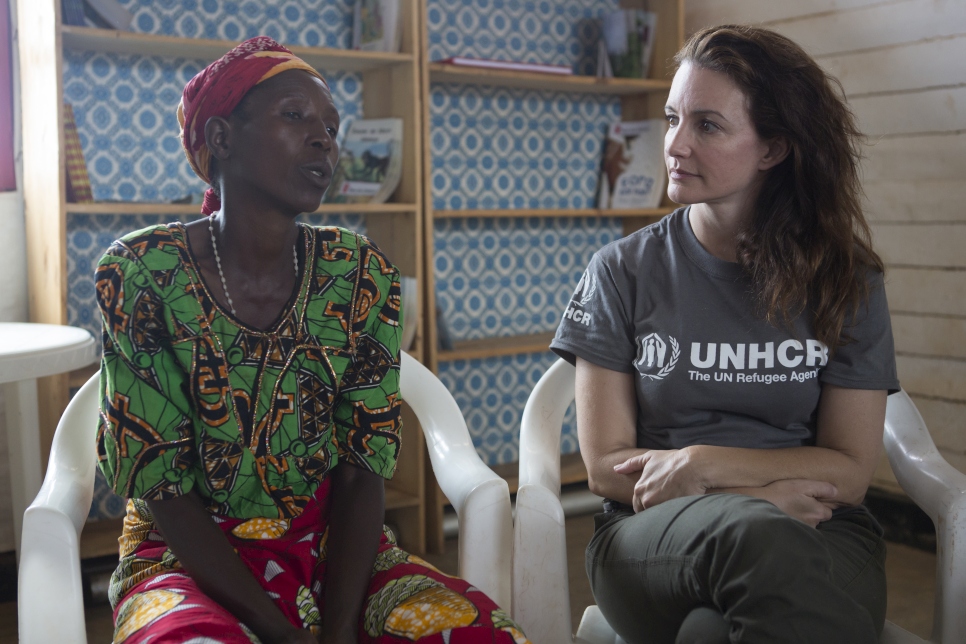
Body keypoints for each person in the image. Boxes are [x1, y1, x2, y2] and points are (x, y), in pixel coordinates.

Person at [95, 36, 529, 644]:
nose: (325, 139)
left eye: (331, 125)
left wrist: (342, 628)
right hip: (183, 560)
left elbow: (360, 471)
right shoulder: (142, 272)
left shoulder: (358, 275)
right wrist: (283, 634)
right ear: (220, 139)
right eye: (295, 116)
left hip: (336, 553)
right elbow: (161, 487)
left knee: (482, 635)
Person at [551, 25, 899, 644]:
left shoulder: (847, 279)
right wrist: (754, 498)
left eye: (707, 125)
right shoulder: (621, 271)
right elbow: (606, 468)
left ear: (772, 150)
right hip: (652, 526)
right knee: (754, 537)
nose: (675, 145)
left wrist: (705, 466)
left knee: (710, 632)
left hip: (819, 520)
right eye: (670, 118)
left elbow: (847, 471)